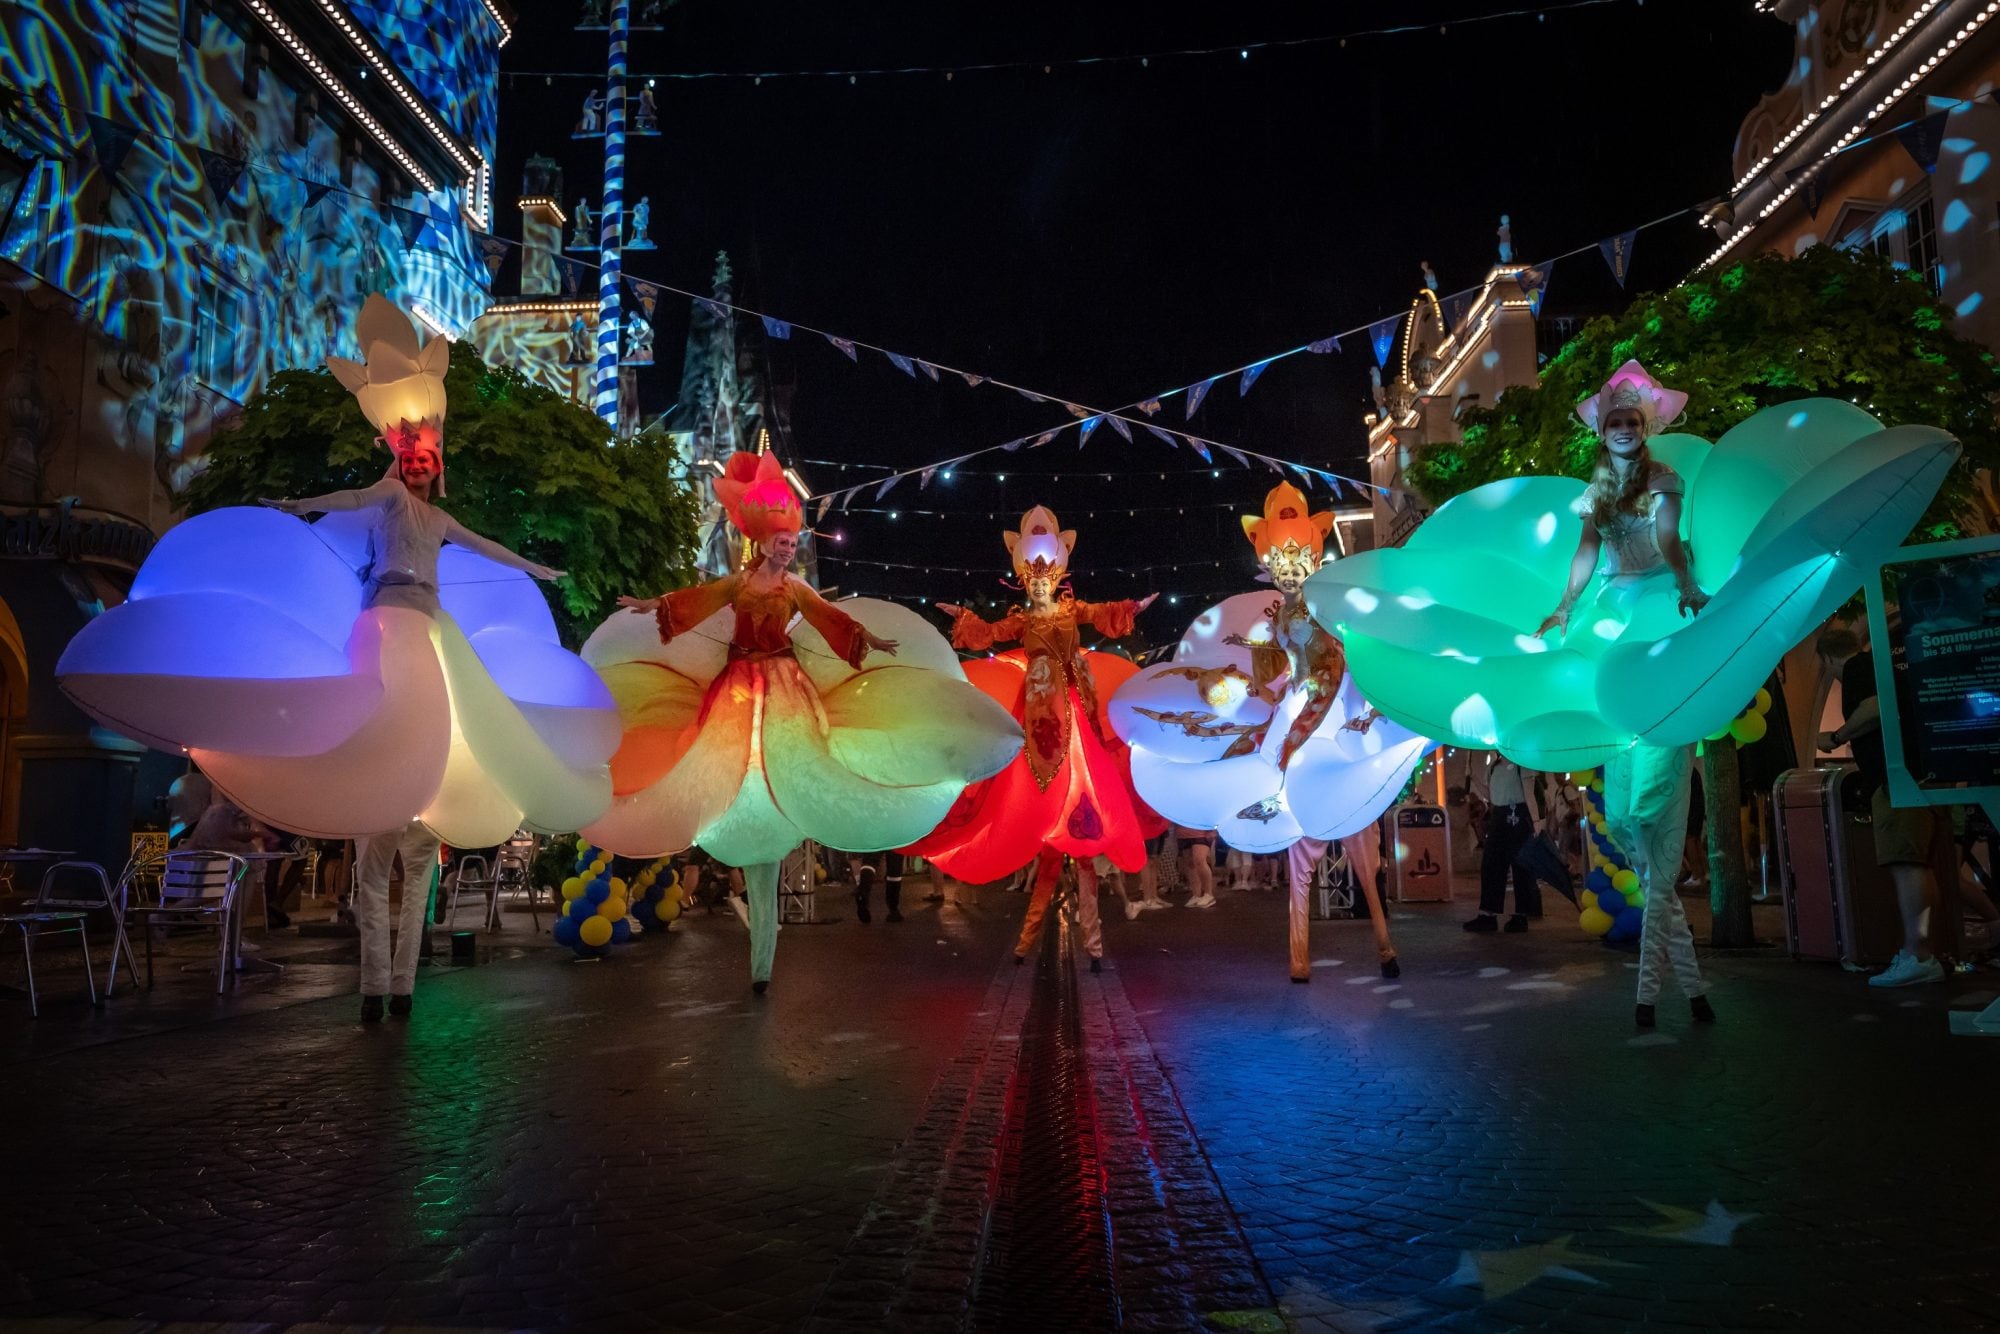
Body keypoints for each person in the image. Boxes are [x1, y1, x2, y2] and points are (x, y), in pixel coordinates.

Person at [589, 451, 1019, 993]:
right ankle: (759, 956)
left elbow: (831, 619)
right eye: (784, 543)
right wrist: (652, 605)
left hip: (787, 689)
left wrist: (874, 641)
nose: (790, 550)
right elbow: (693, 602)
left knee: (790, 769)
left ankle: (764, 959)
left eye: (794, 543)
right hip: (738, 688)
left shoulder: (795, 589)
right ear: (764, 543)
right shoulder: (739, 585)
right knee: (732, 771)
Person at [1110, 483, 1425, 980]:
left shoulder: (1328, 601)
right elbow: (1275, 670)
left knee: (1352, 831)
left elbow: (1344, 648)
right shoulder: (1281, 613)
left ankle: (1381, 941)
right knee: (1287, 791)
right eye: (1281, 556)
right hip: (1298, 700)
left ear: (1316, 551)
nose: (1291, 565)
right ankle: (1306, 952)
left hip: (1329, 699)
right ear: (1266, 558)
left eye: (1299, 554)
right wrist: (1242, 667)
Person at [1535, 365, 1713, 1028]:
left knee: (1649, 808)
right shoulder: (1596, 494)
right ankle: (1683, 992)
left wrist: (1689, 588)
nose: (1624, 431)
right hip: (1612, 626)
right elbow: (1584, 554)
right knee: (1631, 818)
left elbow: (1668, 541)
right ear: (1603, 431)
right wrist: (1562, 607)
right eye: (1615, 422)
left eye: (1633, 422)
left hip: (1659, 618)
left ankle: (1654, 996)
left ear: (1647, 428)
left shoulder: (1664, 480)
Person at [913, 507, 1159, 974]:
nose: (1041, 585)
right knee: (1045, 850)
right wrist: (962, 616)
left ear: (1058, 577)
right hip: (1039, 717)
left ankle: (1093, 946)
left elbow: (1104, 613)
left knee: (1083, 849)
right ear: (1025, 580)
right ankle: (1027, 943)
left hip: (1075, 717)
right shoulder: (1020, 619)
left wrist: (1133, 608)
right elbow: (986, 633)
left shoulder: (1071, 611)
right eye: (1034, 579)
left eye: (1047, 578)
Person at [1820, 613, 1944, 987]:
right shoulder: (1878, 664)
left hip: (1897, 779)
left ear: (1828, 660)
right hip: (1911, 776)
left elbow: (1873, 709)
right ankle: (1923, 951)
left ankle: (1918, 956)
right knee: (1916, 864)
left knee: (1905, 863)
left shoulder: (1859, 668)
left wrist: (1837, 736)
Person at [1465, 754, 1541, 933]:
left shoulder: (1523, 763)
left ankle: (1520, 916)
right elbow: (1491, 795)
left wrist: (1536, 821)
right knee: (1491, 865)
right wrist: (1473, 777)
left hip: (1518, 816)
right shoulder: (1493, 766)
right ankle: (1488, 915)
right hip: (1499, 816)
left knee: (1521, 867)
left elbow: (1530, 794)